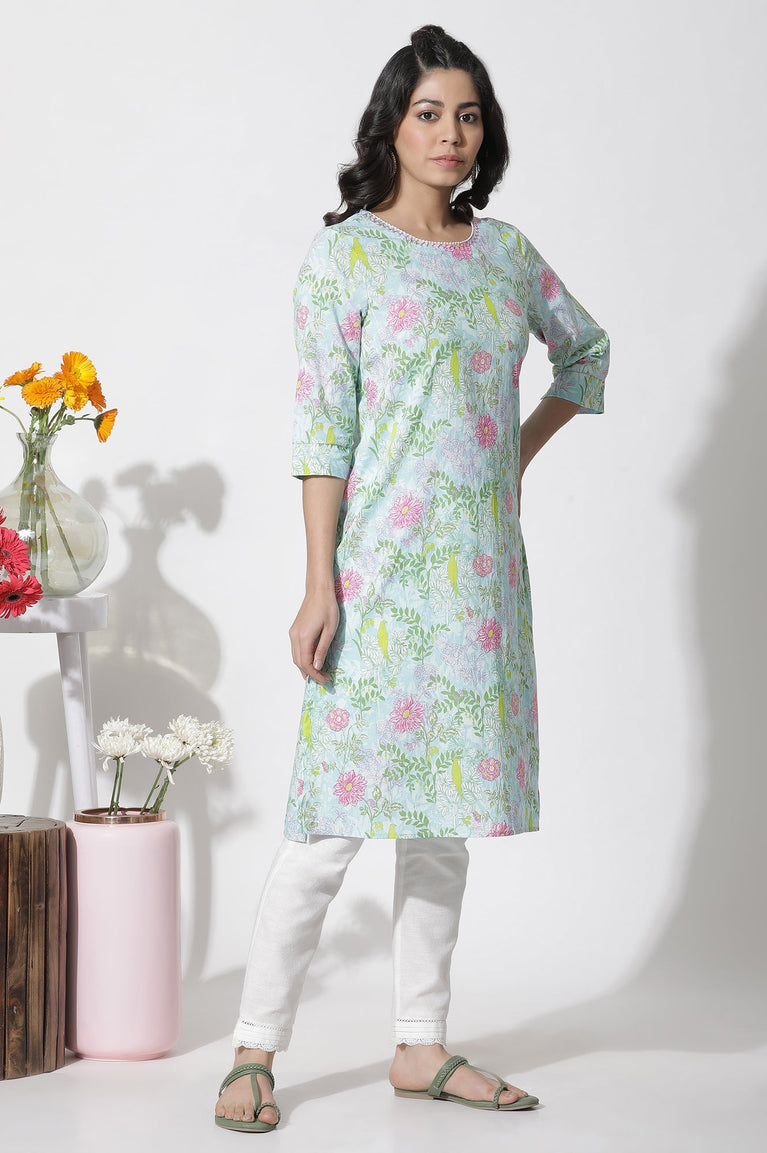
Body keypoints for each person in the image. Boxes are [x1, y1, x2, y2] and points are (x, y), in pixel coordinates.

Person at [214, 23, 609, 1132]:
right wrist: (318, 584)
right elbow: (323, 433)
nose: (450, 134)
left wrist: (510, 454)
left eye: (468, 115)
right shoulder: (344, 258)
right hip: (376, 578)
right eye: (429, 113)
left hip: (477, 584)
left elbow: (585, 350)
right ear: (390, 124)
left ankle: (418, 1043)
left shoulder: (506, 256)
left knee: (439, 828)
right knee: (325, 830)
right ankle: (253, 1048)